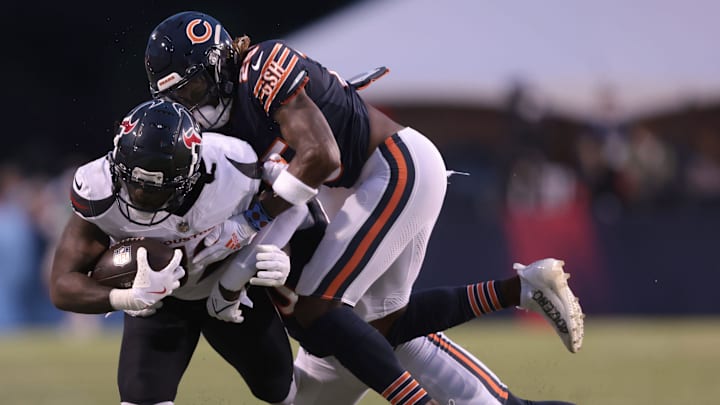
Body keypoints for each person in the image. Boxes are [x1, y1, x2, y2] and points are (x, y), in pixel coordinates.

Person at [145, 11, 584, 404]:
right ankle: (519, 294)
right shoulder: (230, 120)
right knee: (382, 327)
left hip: (392, 166)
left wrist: (252, 222)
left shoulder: (260, 66)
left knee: (318, 307)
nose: (194, 106)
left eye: (197, 87)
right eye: (181, 97)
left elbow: (323, 157)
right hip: (362, 181)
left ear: (220, 65)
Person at [49, 99, 304, 405]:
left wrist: (277, 250)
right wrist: (126, 298)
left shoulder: (232, 167)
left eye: (158, 189)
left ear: (192, 174)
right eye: (133, 184)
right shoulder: (97, 189)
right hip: (158, 300)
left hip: (229, 292)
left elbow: (291, 199)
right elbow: (62, 286)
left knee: (282, 392)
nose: (141, 197)